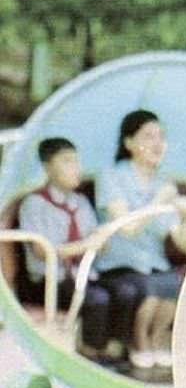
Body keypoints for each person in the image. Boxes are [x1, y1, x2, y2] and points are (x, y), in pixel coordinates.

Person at [94, 110, 186, 371]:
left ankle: (157, 338)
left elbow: (183, 244)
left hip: (154, 265)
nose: (157, 143)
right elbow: (127, 228)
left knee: (174, 284)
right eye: (148, 136)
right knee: (150, 289)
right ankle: (139, 340)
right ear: (128, 143)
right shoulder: (112, 176)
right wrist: (159, 201)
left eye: (161, 136)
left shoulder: (164, 183)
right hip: (117, 265)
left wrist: (185, 218)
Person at [18, 137, 125, 366]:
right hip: (47, 280)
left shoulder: (80, 202)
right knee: (97, 298)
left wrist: (100, 239)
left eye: (76, 161)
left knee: (124, 290)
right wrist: (85, 245)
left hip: (80, 274)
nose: (76, 168)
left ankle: (110, 348)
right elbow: (41, 251)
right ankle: (89, 354)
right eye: (67, 161)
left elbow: (94, 237)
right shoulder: (35, 203)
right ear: (48, 167)